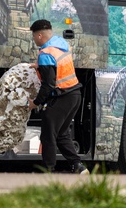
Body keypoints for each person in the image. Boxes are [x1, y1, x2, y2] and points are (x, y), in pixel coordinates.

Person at [28, 19, 89, 174]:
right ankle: (78, 166)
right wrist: (40, 68)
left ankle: (48, 170)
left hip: (63, 97)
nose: (34, 39)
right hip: (75, 94)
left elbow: (48, 85)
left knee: (48, 133)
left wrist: (35, 103)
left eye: (34, 36)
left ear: (40, 35)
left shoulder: (45, 53)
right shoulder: (61, 44)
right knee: (61, 133)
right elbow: (58, 67)